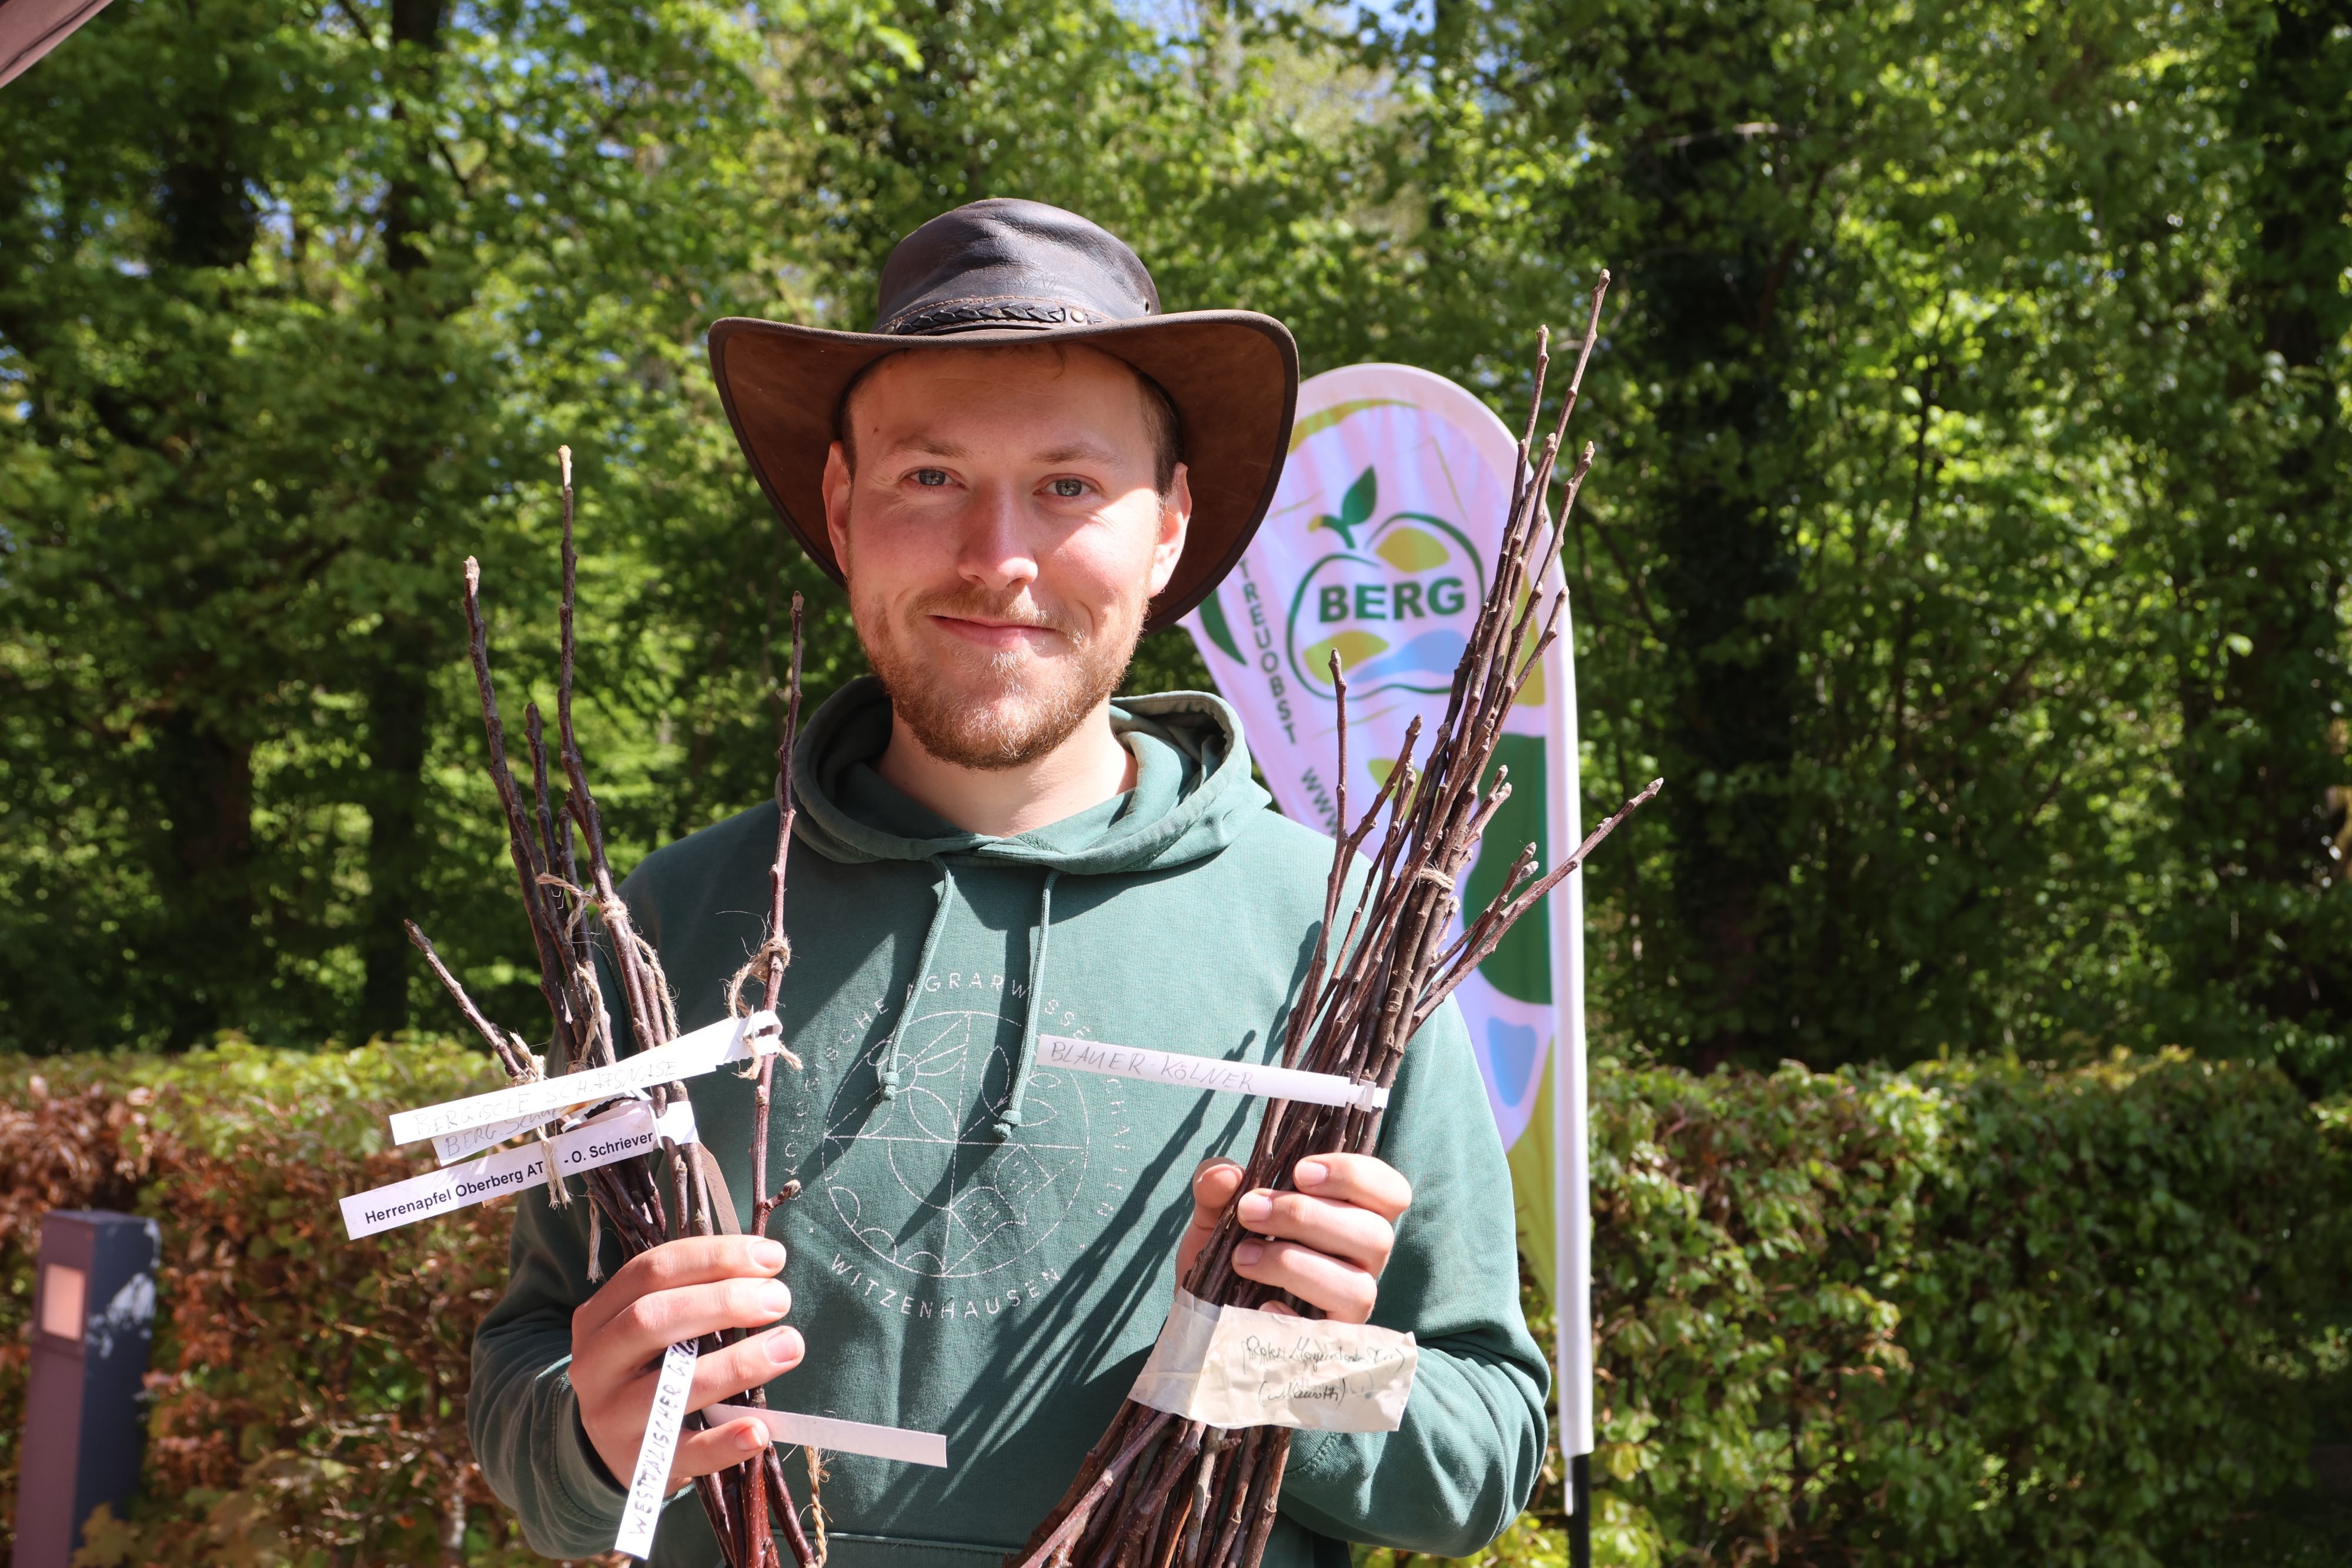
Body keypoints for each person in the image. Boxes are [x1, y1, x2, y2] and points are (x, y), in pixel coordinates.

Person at [470, 198, 1546, 1568]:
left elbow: (1483, 1440)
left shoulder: (1338, 941)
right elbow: (527, 1361)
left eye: (1069, 484)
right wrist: (592, 1438)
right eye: (929, 478)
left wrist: (1275, 1373)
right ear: (843, 510)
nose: (998, 556)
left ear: (1166, 528)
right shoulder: (665, 930)